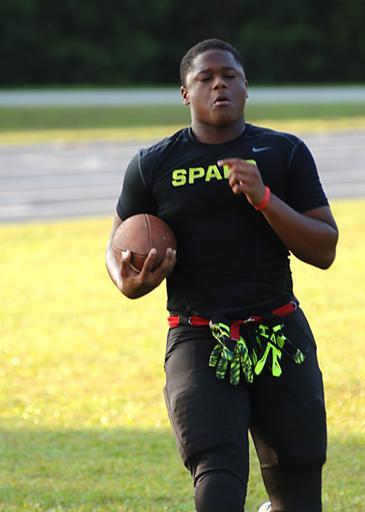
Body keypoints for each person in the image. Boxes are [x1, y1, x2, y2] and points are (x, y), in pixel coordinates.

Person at [105, 39, 338, 512]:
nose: (219, 85)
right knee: (217, 477)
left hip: (277, 332)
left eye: (230, 76)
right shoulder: (153, 163)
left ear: (246, 87)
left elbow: (324, 249)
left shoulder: (283, 151)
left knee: (298, 478)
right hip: (199, 336)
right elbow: (115, 248)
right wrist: (127, 281)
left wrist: (265, 199)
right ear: (185, 93)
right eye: (205, 77)